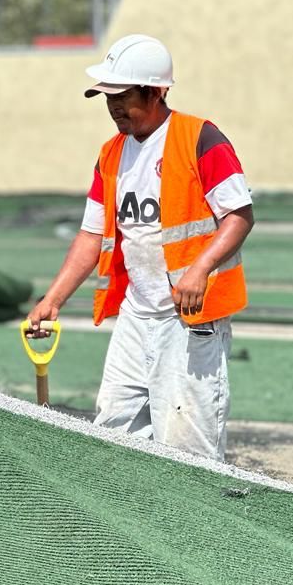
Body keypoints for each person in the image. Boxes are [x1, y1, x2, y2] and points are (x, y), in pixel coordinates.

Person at [27, 34, 253, 461]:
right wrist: (52, 299)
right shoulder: (111, 153)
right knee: (114, 430)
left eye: (122, 95)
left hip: (189, 318)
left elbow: (239, 215)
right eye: (106, 96)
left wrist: (200, 268)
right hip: (136, 314)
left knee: (188, 444)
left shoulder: (200, 138)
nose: (112, 106)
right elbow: (92, 235)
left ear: (155, 91)